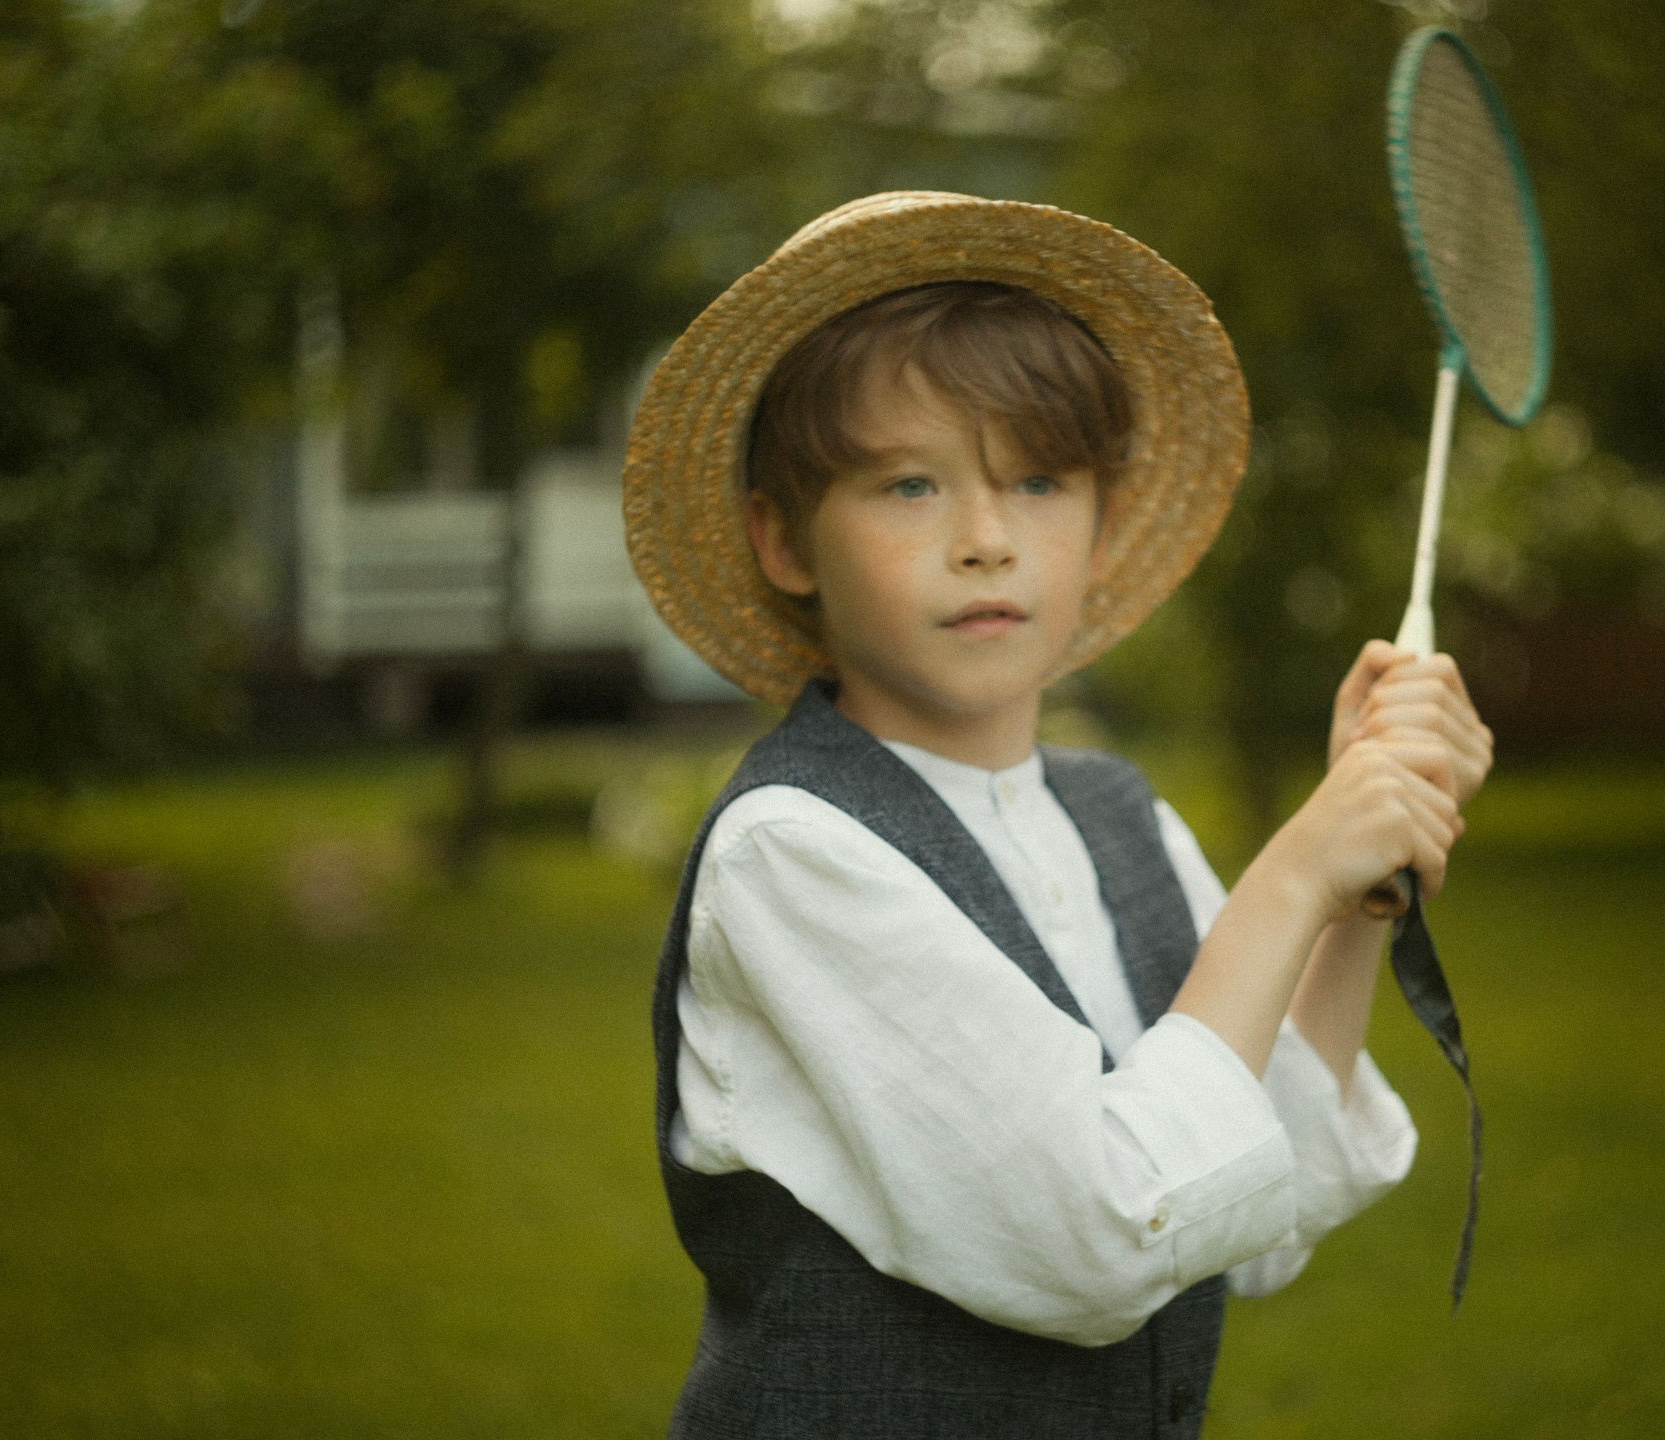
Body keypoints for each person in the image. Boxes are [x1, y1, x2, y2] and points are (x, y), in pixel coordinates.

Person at [620, 191, 1493, 1439]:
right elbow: (1102, 1234)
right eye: (908, 485)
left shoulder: (1113, 815)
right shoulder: (791, 853)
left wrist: (1356, 895)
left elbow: (1256, 1204)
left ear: (1105, 520)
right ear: (785, 540)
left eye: (1037, 479)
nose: (985, 540)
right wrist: (1295, 872)